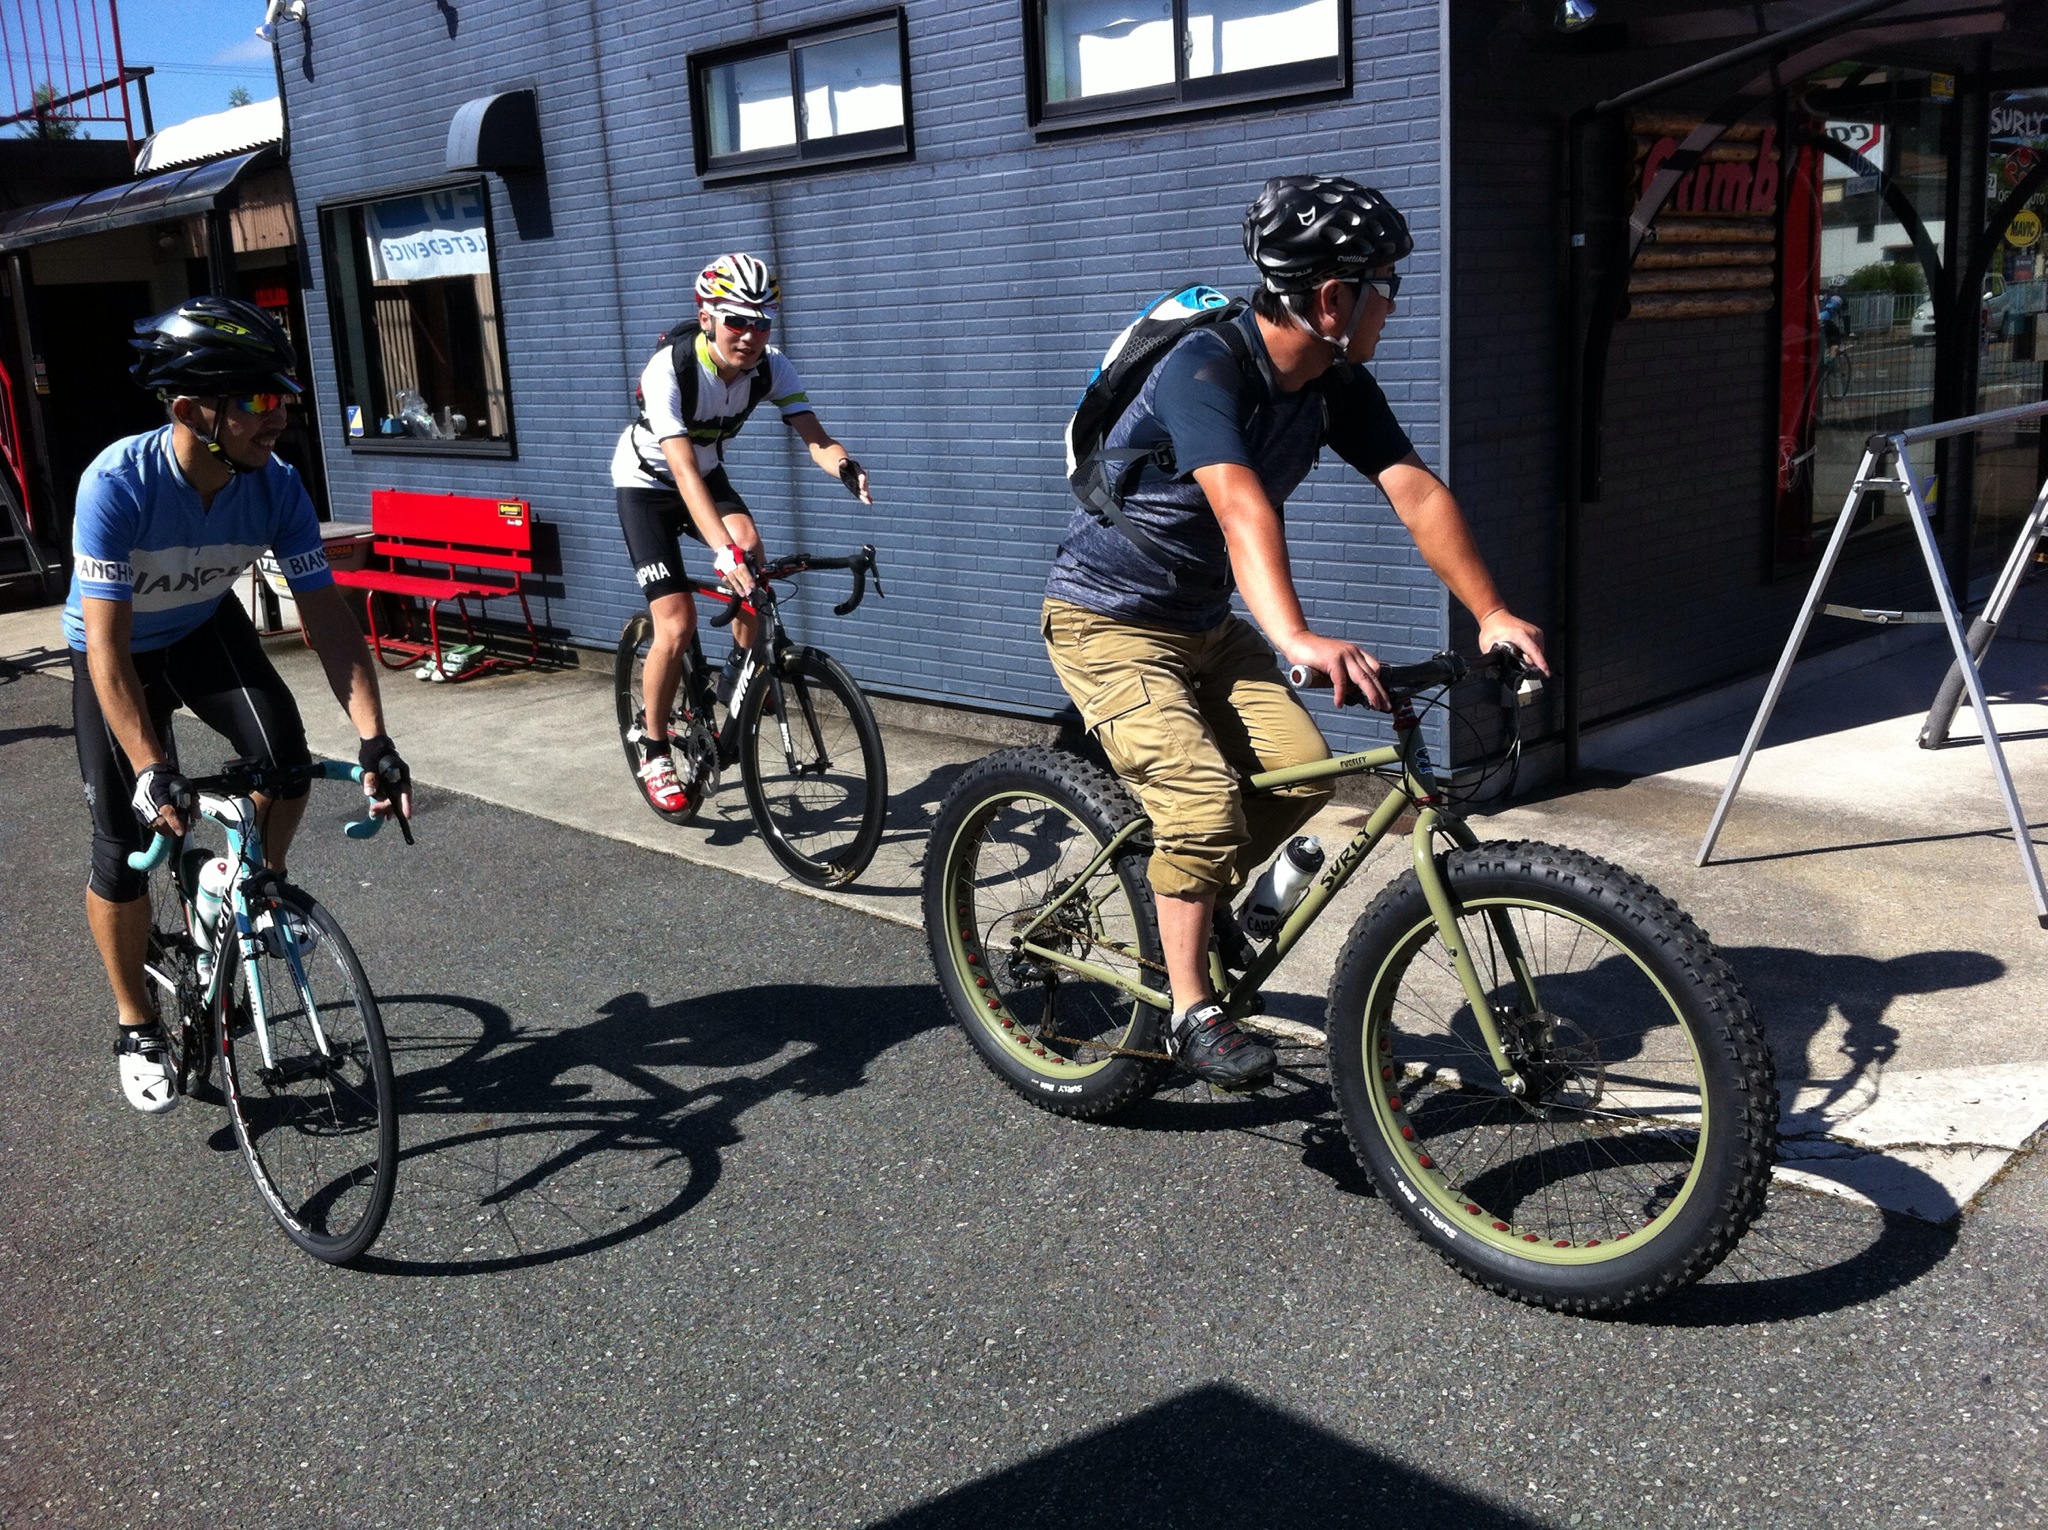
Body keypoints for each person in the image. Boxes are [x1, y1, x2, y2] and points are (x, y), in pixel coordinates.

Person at [1041, 174, 1548, 1088]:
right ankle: (1190, 1009)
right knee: (1201, 808)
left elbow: (1414, 488)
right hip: (1106, 622)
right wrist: (1298, 638)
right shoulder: (1203, 368)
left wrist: (1491, 612)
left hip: (1200, 621)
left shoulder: (1332, 382)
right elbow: (1238, 507)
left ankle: (1188, 895)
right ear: (1331, 298)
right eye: (1385, 284)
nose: (1393, 304)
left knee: (1296, 772)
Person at [68, 296, 411, 1113]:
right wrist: (153, 769)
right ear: (191, 410)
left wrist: (375, 739)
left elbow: (326, 617)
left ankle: (252, 886)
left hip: (200, 628)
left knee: (285, 760)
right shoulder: (117, 485)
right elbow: (109, 653)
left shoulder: (277, 485)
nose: (280, 417)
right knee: (125, 837)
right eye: (260, 400)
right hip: (117, 652)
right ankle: (136, 1024)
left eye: (285, 397)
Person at [611, 252, 873, 813]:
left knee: (752, 552)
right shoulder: (670, 369)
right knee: (675, 623)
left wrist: (846, 465)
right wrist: (720, 550)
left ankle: (735, 673)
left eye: (762, 322)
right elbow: (679, 470)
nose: (750, 335)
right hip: (647, 483)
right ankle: (654, 747)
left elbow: (816, 437)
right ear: (707, 316)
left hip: (705, 473)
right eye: (738, 320)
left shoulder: (773, 368)